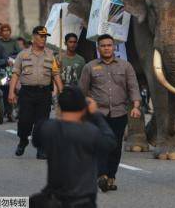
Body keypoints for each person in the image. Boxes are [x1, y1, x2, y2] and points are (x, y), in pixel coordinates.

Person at [31, 87, 116, 208]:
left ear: (60, 106)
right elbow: (110, 142)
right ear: (83, 107)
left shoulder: (47, 128)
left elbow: (36, 140)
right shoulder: (90, 131)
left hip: (54, 198)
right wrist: (96, 114)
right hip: (83, 199)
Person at [80, 34, 141, 193]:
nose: (106, 48)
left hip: (119, 112)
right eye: (103, 45)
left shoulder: (125, 66)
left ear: (114, 47)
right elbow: (82, 91)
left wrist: (136, 106)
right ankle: (102, 175)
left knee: (115, 146)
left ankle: (111, 176)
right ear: (98, 48)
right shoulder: (90, 67)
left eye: (109, 45)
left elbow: (133, 87)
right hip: (98, 113)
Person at [8, 26, 64, 159]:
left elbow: (55, 74)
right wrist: (11, 92)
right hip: (26, 92)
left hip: (44, 93)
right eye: (41, 36)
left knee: (42, 123)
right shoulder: (23, 55)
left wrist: (62, 91)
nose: (43, 39)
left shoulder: (51, 55)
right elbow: (15, 74)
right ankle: (23, 140)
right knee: (24, 121)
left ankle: (41, 148)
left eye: (45, 36)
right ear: (33, 37)